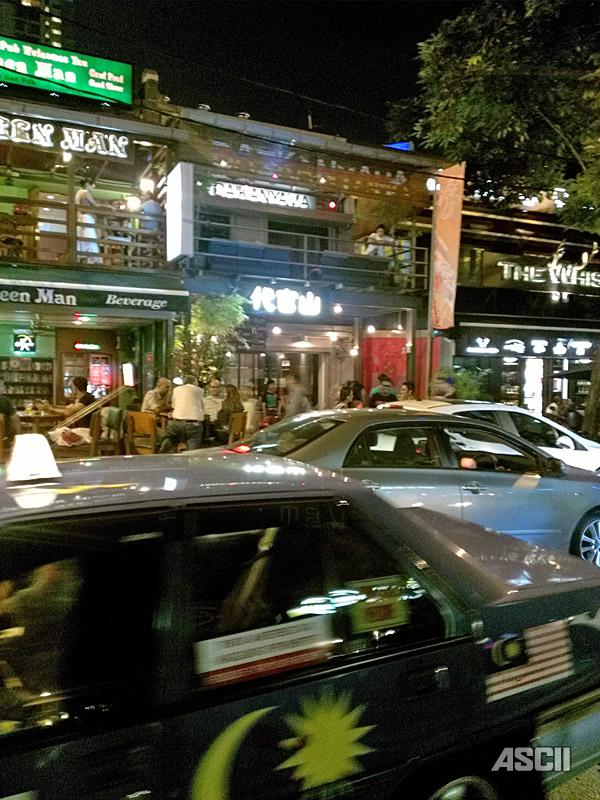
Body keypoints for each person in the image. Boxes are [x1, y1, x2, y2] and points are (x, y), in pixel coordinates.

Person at [159, 375, 205, 452]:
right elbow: (202, 407)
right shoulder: (200, 390)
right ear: (194, 382)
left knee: (170, 436)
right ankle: (191, 453)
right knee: (194, 440)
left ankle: (165, 449)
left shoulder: (176, 389)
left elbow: (174, 406)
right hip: (193, 424)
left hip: (177, 423)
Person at [74, 178, 100, 265]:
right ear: (87, 184)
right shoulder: (85, 192)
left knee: (82, 238)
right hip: (86, 217)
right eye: (92, 186)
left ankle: (81, 258)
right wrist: (108, 206)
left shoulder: (78, 192)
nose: (92, 188)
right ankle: (92, 259)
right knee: (89, 237)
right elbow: (95, 204)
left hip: (80, 217)